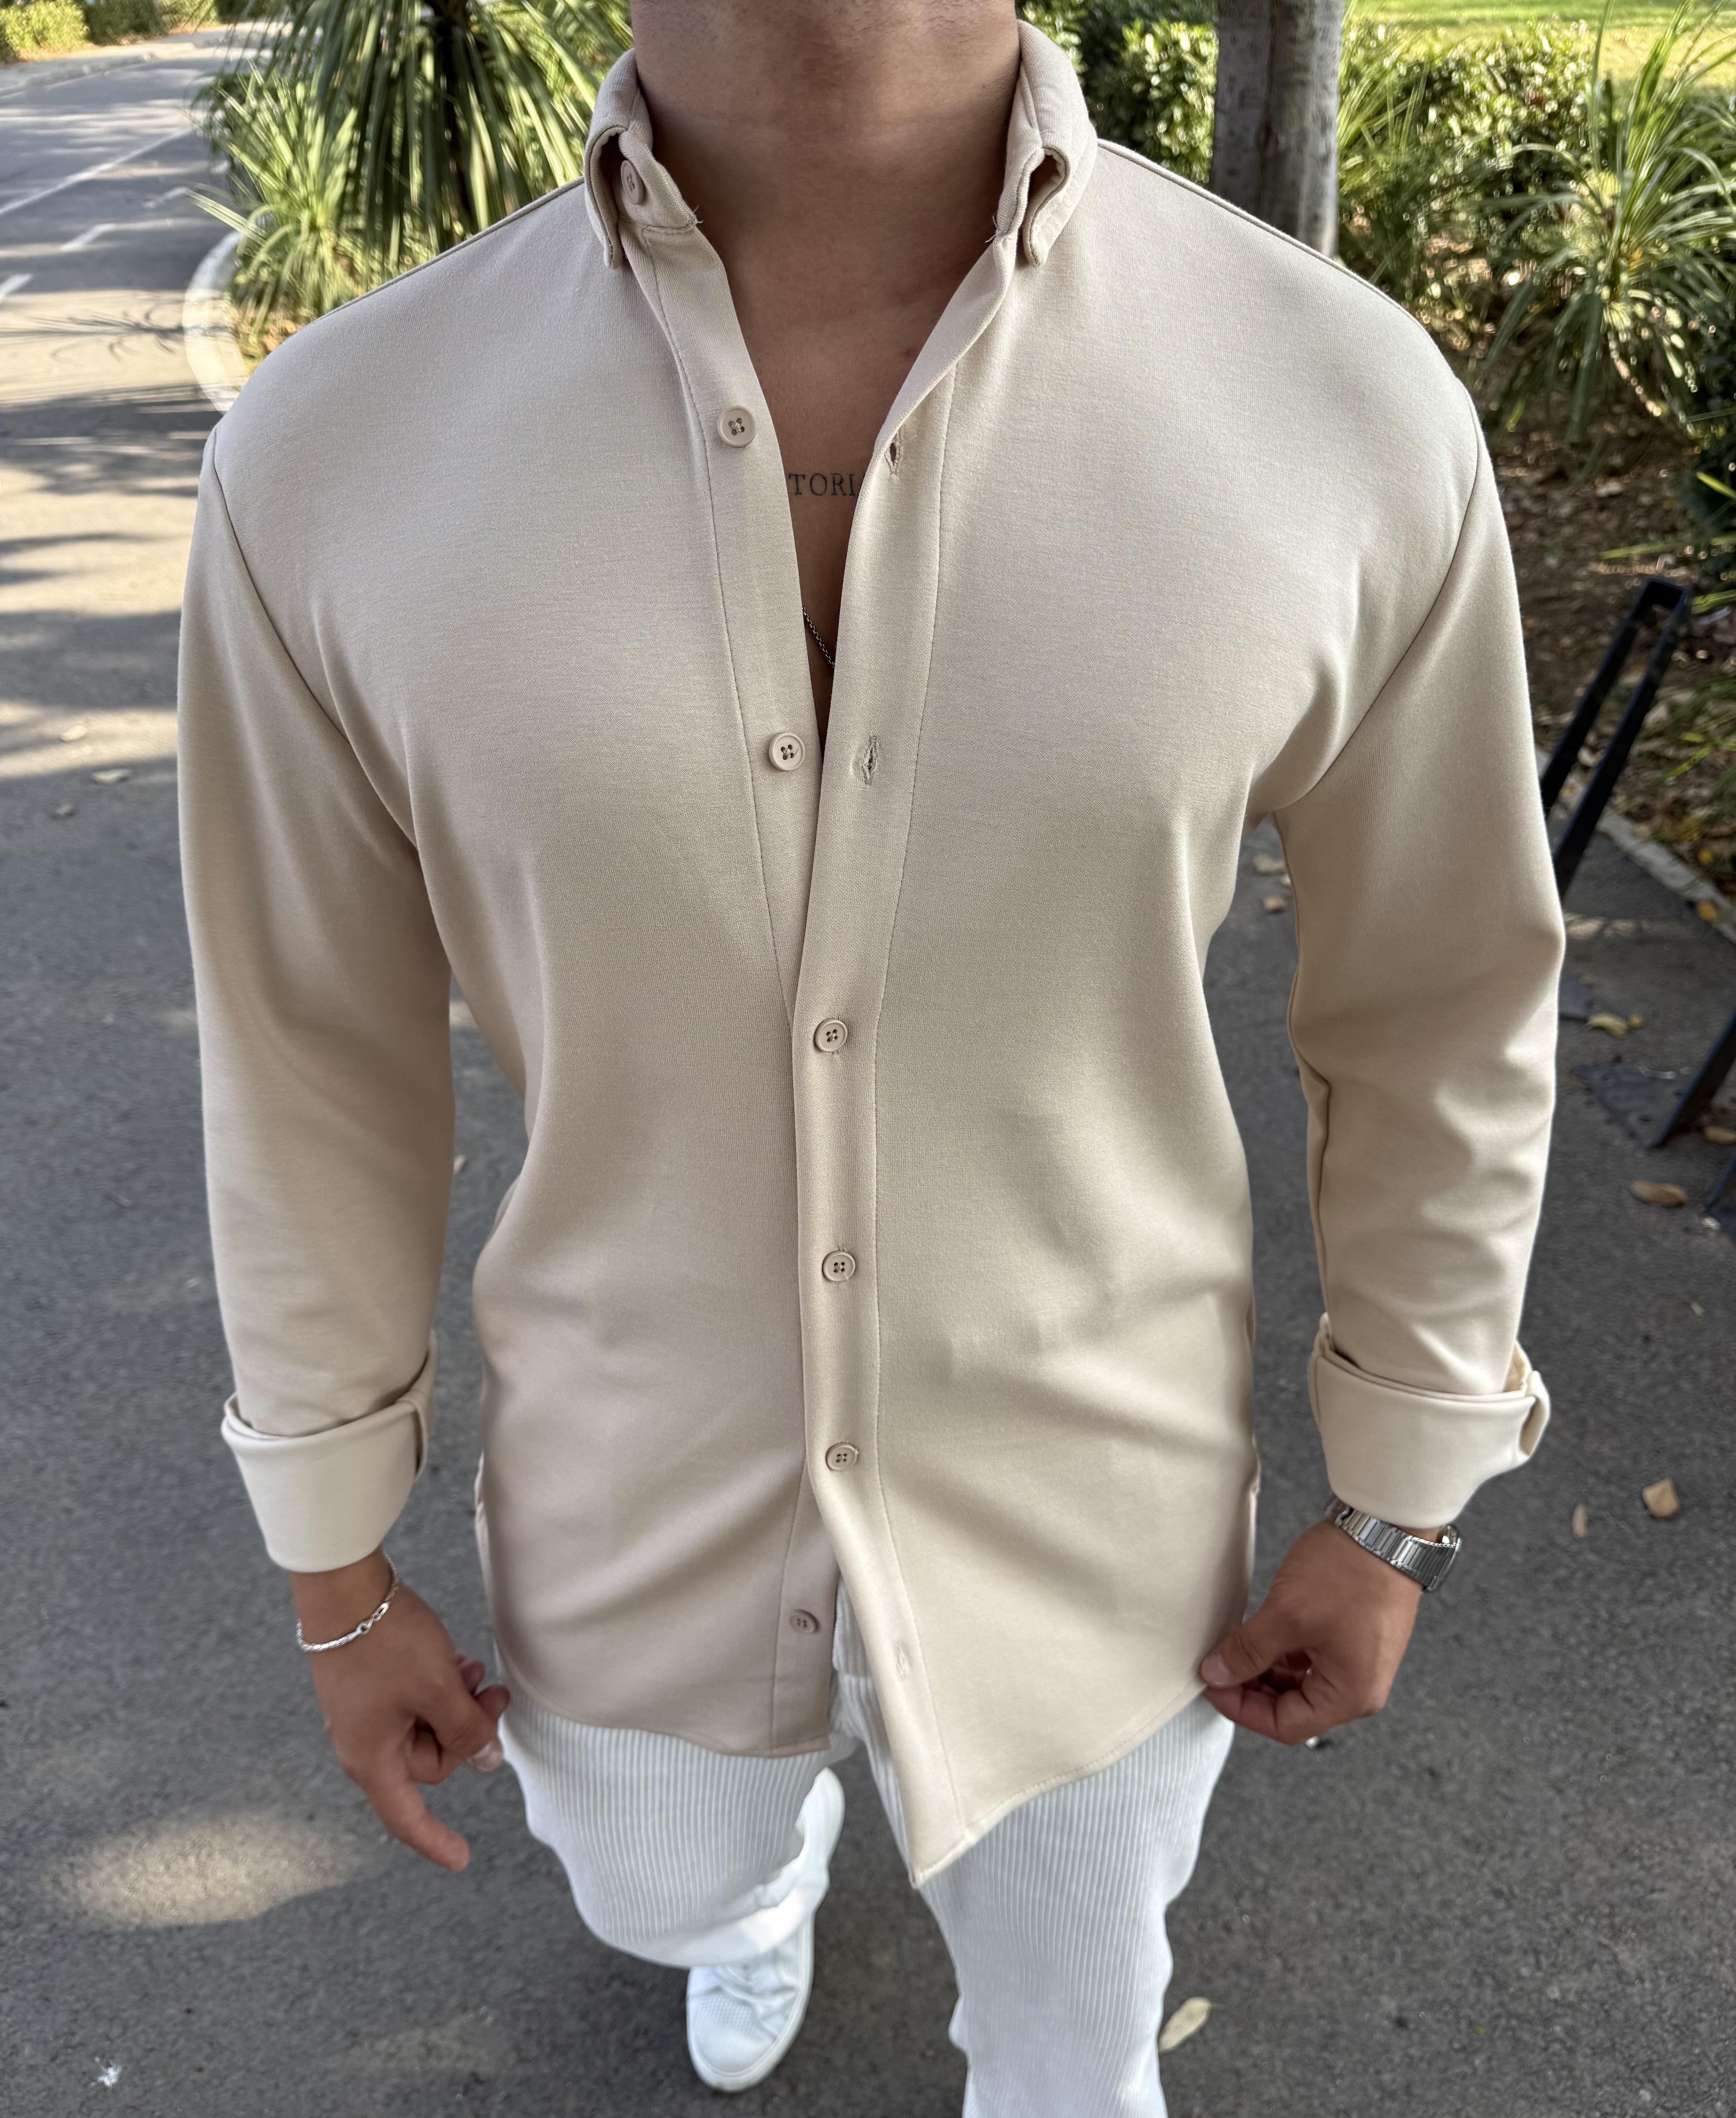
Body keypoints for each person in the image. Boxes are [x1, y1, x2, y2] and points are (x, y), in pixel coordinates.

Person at [176, 2, 1564, 2109]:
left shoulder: (1337, 404)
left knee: (1079, 2048)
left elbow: (1445, 997)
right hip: (630, 1528)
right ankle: (756, 1906)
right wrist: (335, 1573)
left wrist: (1401, 1509)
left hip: (1103, 1550)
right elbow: (306, 1052)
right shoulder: (340, 449)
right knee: (670, 1891)